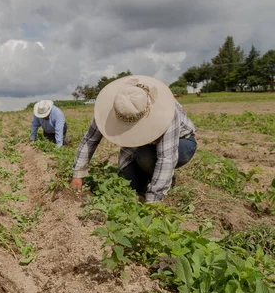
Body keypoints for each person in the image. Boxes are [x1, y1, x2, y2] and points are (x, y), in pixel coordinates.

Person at [70, 75, 197, 203]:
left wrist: (154, 200)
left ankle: (161, 179)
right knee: (130, 184)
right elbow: (90, 139)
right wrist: (78, 174)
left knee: (146, 156)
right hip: (142, 146)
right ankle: (151, 176)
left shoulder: (166, 111)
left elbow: (167, 157)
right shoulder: (116, 104)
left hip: (181, 143)